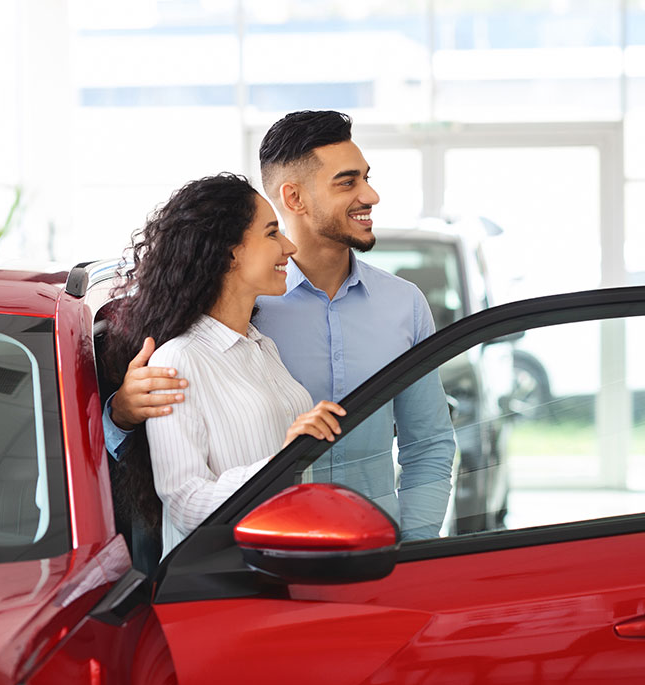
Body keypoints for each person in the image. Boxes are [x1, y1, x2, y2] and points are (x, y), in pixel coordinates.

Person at [106, 111, 455, 542]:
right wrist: (122, 413)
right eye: (347, 182)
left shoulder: (402, 305)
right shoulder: (244, 312)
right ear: (294, 197)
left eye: (366, 178)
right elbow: (180, 476)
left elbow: (428, 443)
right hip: (261, 557)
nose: (371, 195)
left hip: (371, 555)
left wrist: (413, 550)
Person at [104, 174, 346, 557]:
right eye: (272, 233)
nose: (290, 246)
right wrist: (281, 464)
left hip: (281, 565)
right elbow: (186, 504)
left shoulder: (262, 347)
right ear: (229, 253)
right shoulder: (178, 359)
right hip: (225, 581)